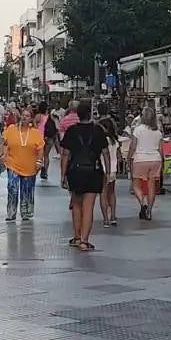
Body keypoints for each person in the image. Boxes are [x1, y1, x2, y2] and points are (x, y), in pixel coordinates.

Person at [61, 101, 109, 251]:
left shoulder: (71, 131)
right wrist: (107, 172)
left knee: (76, 204)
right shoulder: (98, 131)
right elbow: (106, 153)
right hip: (93, 171)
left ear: (78, 115)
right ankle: (84, 240)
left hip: (75, 171)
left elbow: (65, 154)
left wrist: (63, 175)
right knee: (89, 207)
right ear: (91, 114)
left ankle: (76, 236)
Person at [1, 104, 45, 222]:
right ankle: (11, 212)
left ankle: (25, 212)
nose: (24, 118)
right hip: (13, 164)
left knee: (27, 190)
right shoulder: (11, 129)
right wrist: (3, 156)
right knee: (12, 187)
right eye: (23, 115)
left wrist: (39, 161)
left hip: (29, 166)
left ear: (31, 119)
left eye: (27, 116)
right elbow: (4, 143)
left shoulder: (35, 133)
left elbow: (40, 148)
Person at [128, 107, 163, 220]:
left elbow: (133, 146)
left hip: (140, 158)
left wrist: (129, 157)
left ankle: (143, 203)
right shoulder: (158, 132)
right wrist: (163, 162)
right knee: (151, 186)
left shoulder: (138, 130)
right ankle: (149, 210)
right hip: (155, 159)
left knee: (136, 184)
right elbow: (161, 150)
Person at [97, 103, 120, 227]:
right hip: (113, 169)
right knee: (112, 192)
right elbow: (119, 156)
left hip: (102, 169)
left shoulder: (100, 140)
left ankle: (105, 219)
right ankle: (113, 216)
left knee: (103, 194)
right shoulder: (114, 141)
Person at [39, 103, 59, 180]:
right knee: (46, 155)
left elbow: (33, 126)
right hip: (50, 138)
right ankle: (46, 171)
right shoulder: (51, 117)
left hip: (40, 137)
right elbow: (56, 127)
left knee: (40, 155)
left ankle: (41, 169)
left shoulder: (38, 116)